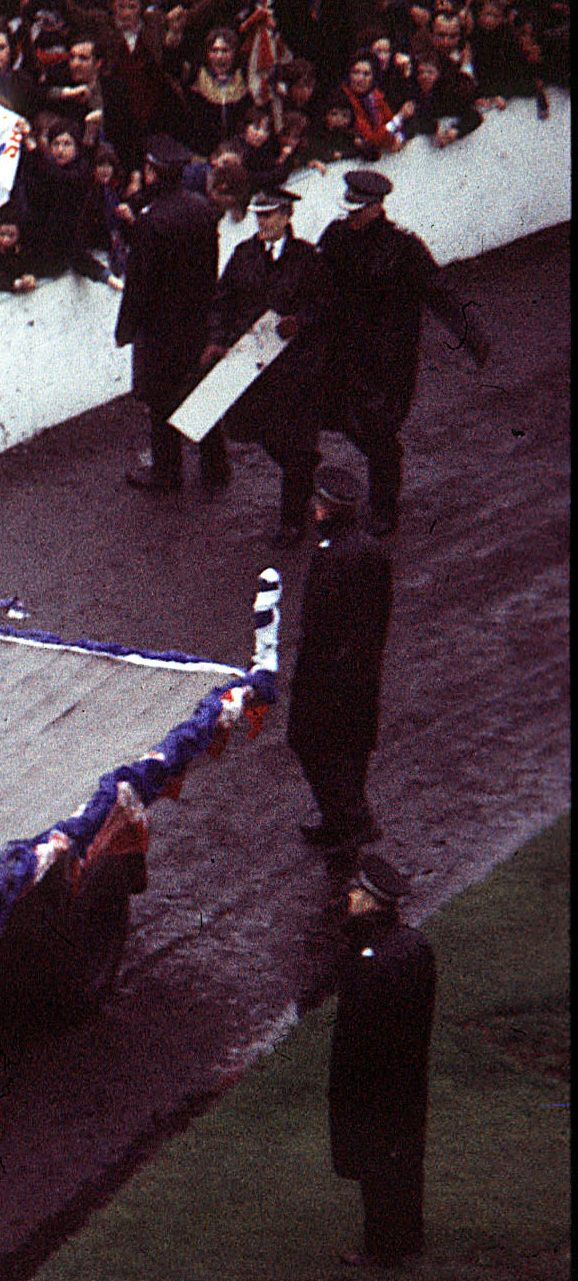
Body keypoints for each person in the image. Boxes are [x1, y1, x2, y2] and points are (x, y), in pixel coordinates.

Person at [313, 169, 490, 537]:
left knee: (379, 432)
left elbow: (440, 293)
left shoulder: (404, 249)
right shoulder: (336, 237)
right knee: (341, 417)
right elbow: (314, 280)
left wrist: (470, 335)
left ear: (378, 208)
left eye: (359, 210)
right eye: (349, 210)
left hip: (388, 360)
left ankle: (383, 508)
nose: (351, 217)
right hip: (344, 352)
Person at [207, 188, 332, 547]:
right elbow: (221, 301)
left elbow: (326, 305)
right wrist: (217, 338)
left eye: (269, 215)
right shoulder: (244, 255)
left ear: (287, 215)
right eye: (257, 215)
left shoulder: (307, 259)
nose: (261, 222)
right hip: (254, 367)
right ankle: (304, 475)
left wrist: (300, 321)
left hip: (297, 371)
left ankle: (292, 521)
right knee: (258, 432)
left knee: (295, 444)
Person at [329, 852, 435, 1269]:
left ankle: (383, 1250)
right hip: (408, 1073)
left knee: (378, 1163)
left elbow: (361, 1028)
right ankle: (406, 1238)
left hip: (373, 1078)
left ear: (372, 901)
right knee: (404, 1156)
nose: (350, 896)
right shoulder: (413, 945)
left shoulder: (371, 959)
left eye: (356, 891)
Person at [288, 467, 393, 865]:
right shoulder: (364, 549)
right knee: (347, 746)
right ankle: (341, 818)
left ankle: (351, 820)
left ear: (328, 510)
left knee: (314, 744)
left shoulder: (336, 555)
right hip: (356, 672)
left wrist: (325, 670)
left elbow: (328, 624)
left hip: (331, 673)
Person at [115, 134, 224, 494]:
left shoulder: (152, 222)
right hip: (196, 318)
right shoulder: (202, 208)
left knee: (162, 401)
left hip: (161, 327)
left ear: (151, 172)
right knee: (201, 391)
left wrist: (126, 329)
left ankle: (167, 471)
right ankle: (215, 467)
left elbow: (139, 283)